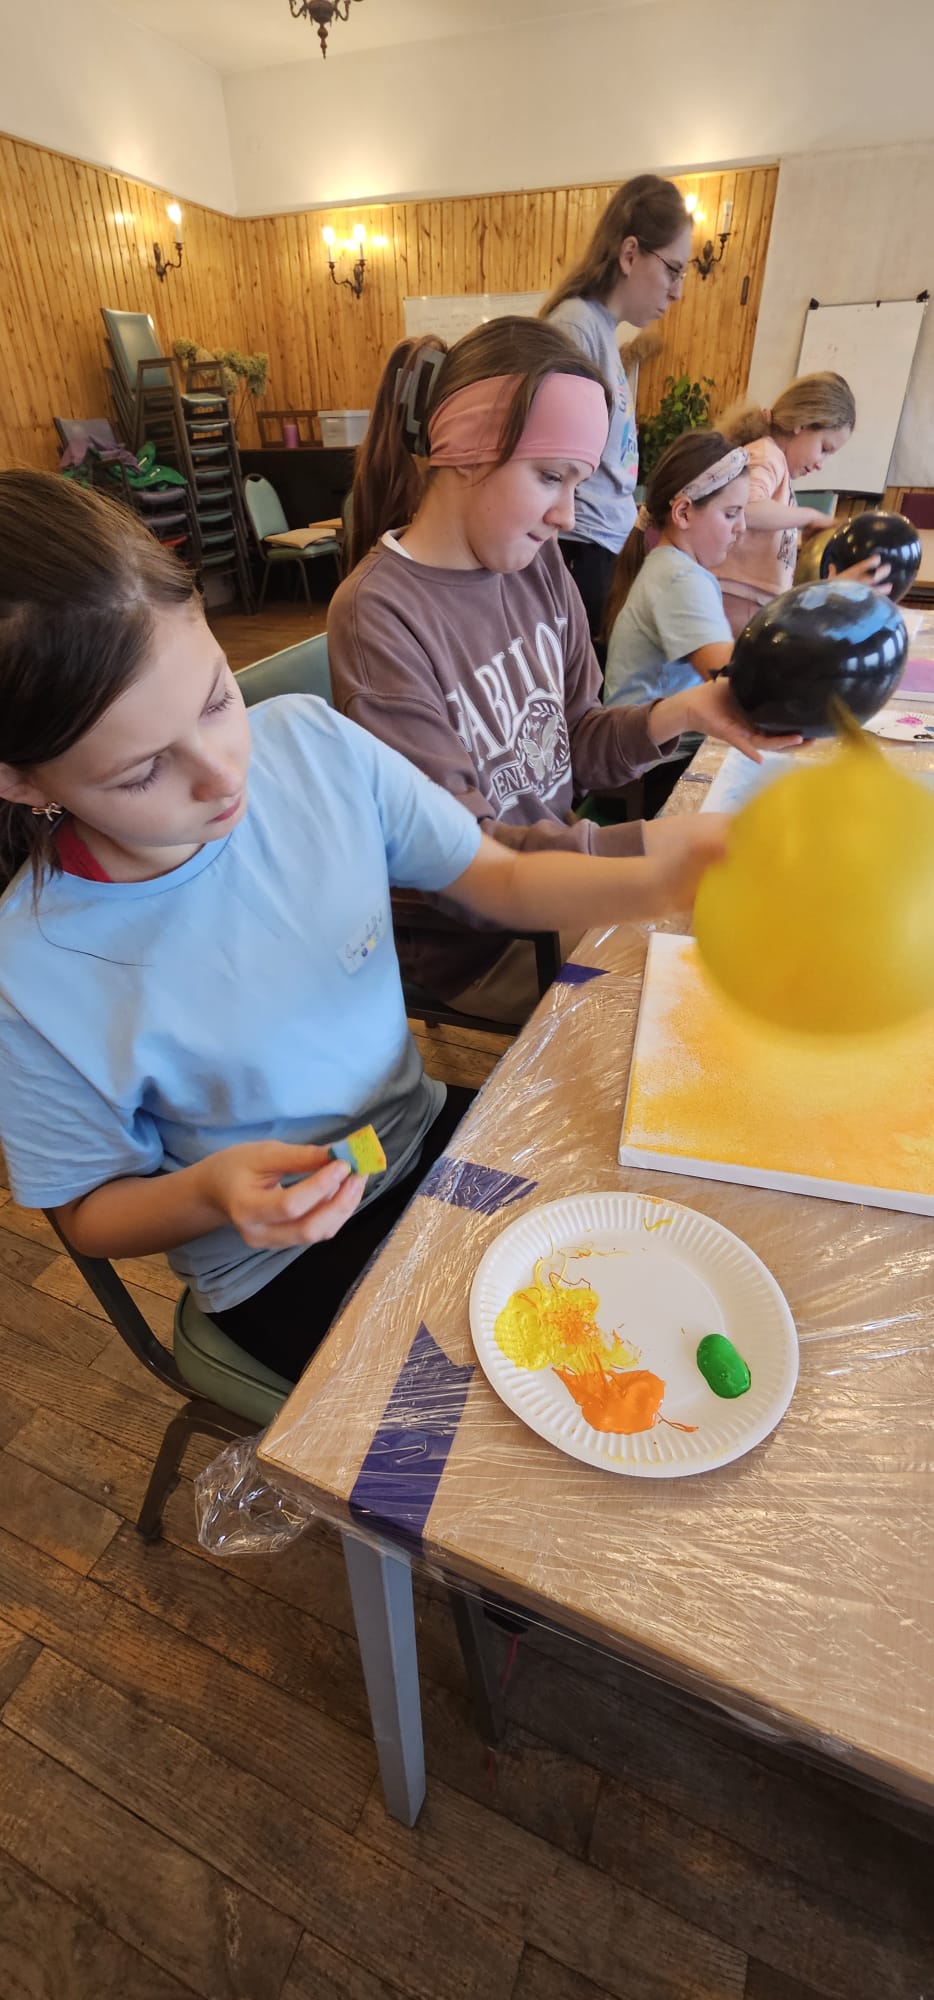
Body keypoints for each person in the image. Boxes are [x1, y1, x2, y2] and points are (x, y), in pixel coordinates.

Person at [0, 472, 728, 1385]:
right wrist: (207, 1193)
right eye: (142, 771)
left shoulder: (309, 746)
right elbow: (86, 1211)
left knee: (642, 1257)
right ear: (19, 779)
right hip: (280, 1258)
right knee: (507, 1404)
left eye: (217, 699)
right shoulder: (33, 974)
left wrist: (660, 874)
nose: (222, 773)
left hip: (415, 1136)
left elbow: (497, 876)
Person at [328, 317, 799, 1026]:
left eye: (577, 482)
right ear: (465, 450)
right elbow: (463, 864)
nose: (566, 515)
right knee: (709, 1011)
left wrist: (684, 711)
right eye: (550, 476)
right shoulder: (378, 615)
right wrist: (645, 851)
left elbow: (575, 739)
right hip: (485, 948)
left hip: (554, 887)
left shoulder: (538, 565)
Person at [541, 174, 693, 645]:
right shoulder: (575, 326)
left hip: (604, 544)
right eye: (672, 269)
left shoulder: (602, 330)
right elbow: (550, 460)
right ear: (630, 254)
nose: (677, 291)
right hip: (580, 547)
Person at [603, 430, 749, 813]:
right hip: (654, 768)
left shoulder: (668, 566)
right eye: (731, 513)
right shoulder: (680, 578)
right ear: (683, 512)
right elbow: (734, 682)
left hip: (650, 759)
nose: (742, 527)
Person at [715, 372, 889, 636]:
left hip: (754, 604)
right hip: (737, 602)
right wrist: (809, 516)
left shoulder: (777, 466)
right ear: (802, 424)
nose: (821, 464)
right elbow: (744, 509)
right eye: (824, 448)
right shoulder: (766, 455)